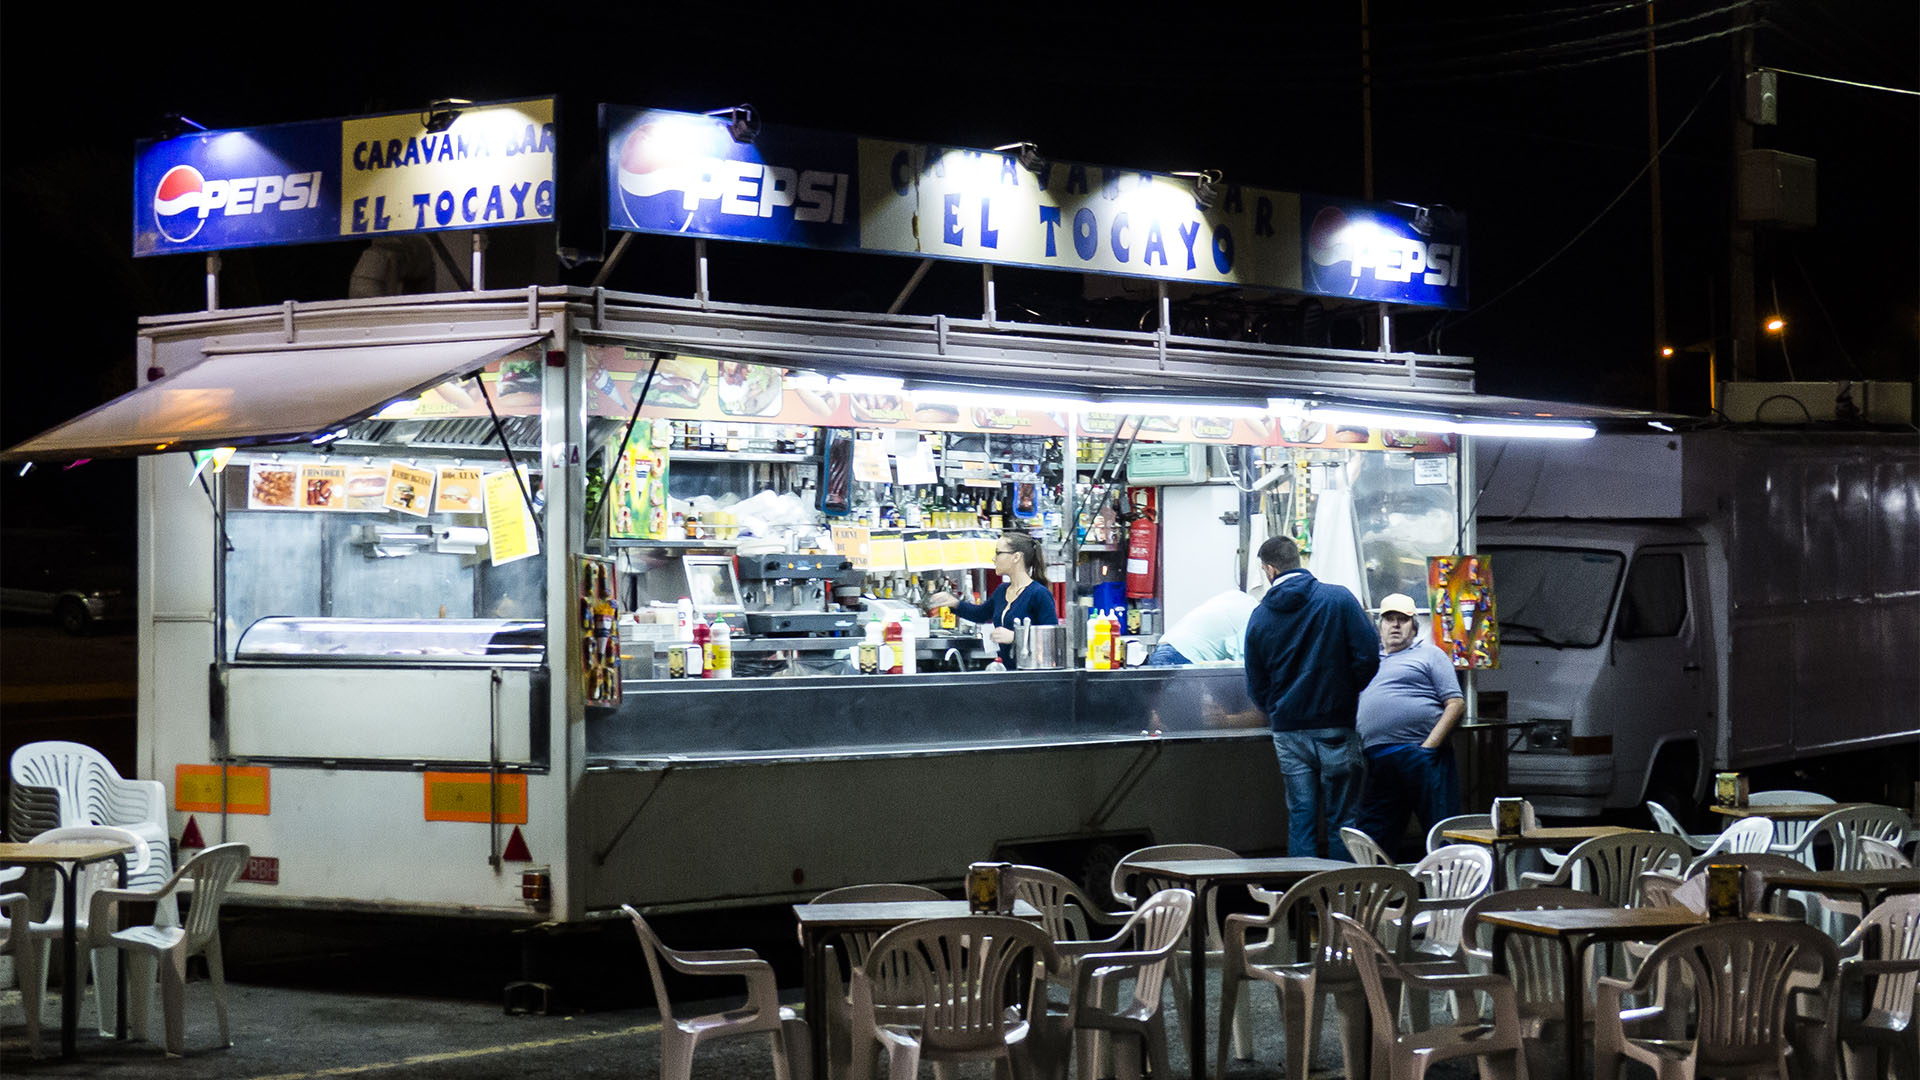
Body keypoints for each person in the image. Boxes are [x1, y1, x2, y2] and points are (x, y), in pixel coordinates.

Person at [1243, 536, 1380, 860]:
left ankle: (1304, 903)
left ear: (1270, 569)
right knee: (1342, 820)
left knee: (1301, 818)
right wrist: (1344, 692)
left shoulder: (1260, 616)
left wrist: (1277, 708)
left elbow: (1256, 681)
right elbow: (1368, 655)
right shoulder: (1339, 600)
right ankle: (1342, 901)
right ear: (1297, 561)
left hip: (1289, 731)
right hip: (1336, 724)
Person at [1353, 593, 1464, 860]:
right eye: (1389, 619)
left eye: (1402, 620)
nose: (1395, 625)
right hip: (1378, 757)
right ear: (1379, 626)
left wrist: (1428, 748)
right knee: (1374, 836)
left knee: (1440, 832)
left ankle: (1451, 894)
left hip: (1420, 754)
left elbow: (1456, 704)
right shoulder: (1369, 660)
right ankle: (1378, 894)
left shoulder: (1430, 654)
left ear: (1414, 627)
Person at [925, 531, 1057, 669]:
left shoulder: (1039, 594)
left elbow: (1051, 640)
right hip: (1009, 673)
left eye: (998, 553)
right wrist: (954, 603)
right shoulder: (1002, 590)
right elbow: (981, 614)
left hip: (1033, 676)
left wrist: (1015, 637)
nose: (994, 558)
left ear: (1016, 557)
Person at [1147, 583, 1265, 665]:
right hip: (1184, 657)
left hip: (1165, 648)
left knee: (1161, 700)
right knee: (1185, 701)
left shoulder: (1236, 596)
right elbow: (1242, 664)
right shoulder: (1253, 616)